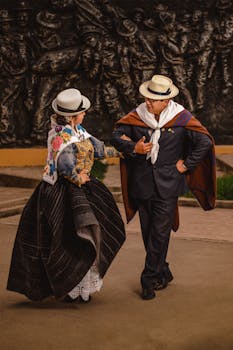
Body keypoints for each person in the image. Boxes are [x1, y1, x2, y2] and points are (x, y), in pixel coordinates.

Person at [7, 88, 126, 303]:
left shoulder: (78, 131)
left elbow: (98, 149)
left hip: (82, 189)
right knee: (69, 238)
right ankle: (69, 285)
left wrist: (127, 149)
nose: (85, 115)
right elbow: (65, 167)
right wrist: (77, 177)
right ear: (72, 116)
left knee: (92, 231)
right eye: (82, 112)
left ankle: (80, 286)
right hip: (61, 193)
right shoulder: (61, 137)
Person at [111, 74, 216, 300]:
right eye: (147, 98)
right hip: (142, 184)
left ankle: (148, 278)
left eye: (153, 100)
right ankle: (163, 270)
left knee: (159, 232)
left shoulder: (180, 118)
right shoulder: (136, 117)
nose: (148, 103)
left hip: (168, 185)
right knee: (150, 233)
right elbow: (116, 136)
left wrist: (186, 165)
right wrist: (133, 147)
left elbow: (205, 142)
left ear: (166, 101)